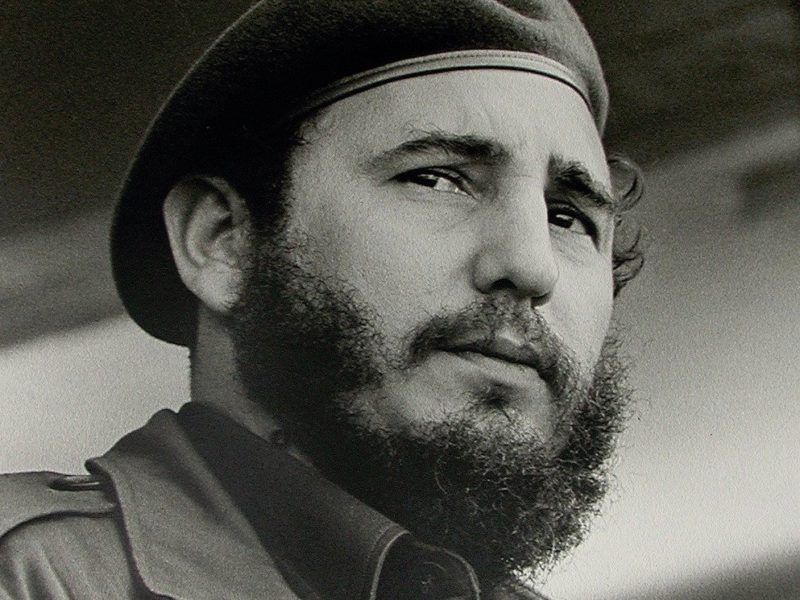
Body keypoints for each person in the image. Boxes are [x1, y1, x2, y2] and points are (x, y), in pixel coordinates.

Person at [0, 1, 644, 598]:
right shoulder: (32, 576)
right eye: (437, 178)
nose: (532, 266)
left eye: (568, 218)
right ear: (222, 241)